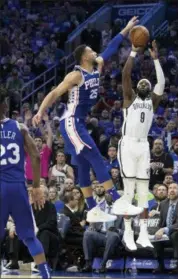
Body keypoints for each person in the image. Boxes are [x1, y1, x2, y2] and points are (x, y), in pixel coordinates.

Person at [32, 17, 140, 218]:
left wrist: (126, 28)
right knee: (95, 157)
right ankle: (118, 202)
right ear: (83, 57)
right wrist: (40, 111)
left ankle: (92, 210)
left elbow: (112, 47)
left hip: (77, 122)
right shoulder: (76, 75)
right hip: (71, 122)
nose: (95, 52)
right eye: (90, 51)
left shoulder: (97, 65)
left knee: (82, 164)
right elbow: (55, 93)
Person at [113, 41, 165, 251]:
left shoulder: (153, 102)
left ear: (150, 88)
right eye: (141, 83)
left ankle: (143, 234)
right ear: (136, 88)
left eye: (146, 83)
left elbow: (161, 81)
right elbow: (126, 74)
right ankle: (127, 233)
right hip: (127, 145)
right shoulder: (129, 97)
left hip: (144, 146)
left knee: (143, 192)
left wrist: (155, 59)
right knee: (129, 191)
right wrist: (133, 52)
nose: (144, 84)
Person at [0, 92, 51, 278]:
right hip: (17, 187)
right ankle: (46, 275)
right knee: (29, 236)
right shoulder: (19, 127)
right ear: (5, 106)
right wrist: (36, 186)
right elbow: (36, 156)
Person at [153, 183, 178, 274]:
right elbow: (161, 222)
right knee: (156, 237)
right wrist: (157, 231)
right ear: (168, 192)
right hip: (166, 233)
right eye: (170, 188)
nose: (172, 190)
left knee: (176, 235)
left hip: (176, 232)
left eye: (175, 188)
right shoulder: (164, 203)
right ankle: (160, 266)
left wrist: (164, 229)